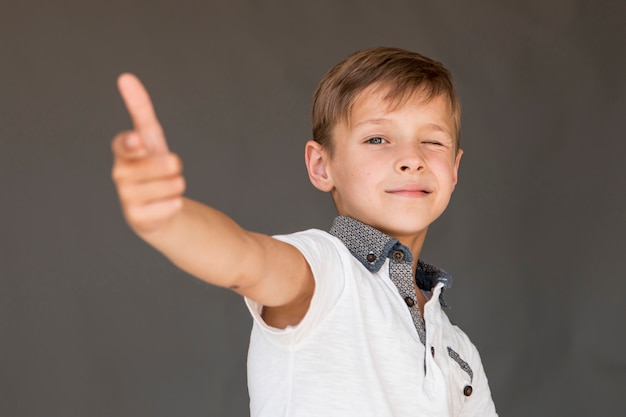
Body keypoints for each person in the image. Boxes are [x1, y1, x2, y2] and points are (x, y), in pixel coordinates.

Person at [111, 47, 498, 416]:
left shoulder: (458, 350)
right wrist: (169, 219)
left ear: (454, 169)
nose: (412, 159)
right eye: (377, 139)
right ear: (321, 165)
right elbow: (245, 259)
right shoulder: (323, 269)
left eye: (432, 141)